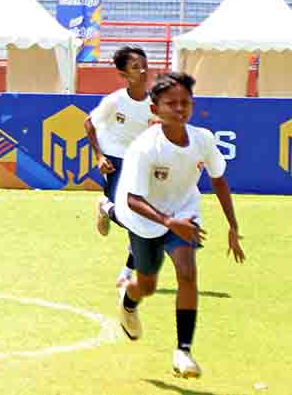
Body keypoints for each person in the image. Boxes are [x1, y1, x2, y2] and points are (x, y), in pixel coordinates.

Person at [114, 72, 246, 380]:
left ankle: (183, 351)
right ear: (154, 109)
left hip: (183, 212)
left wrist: (232, 226)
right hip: (144, 218)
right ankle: (128, 300)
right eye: (170, 103)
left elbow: (218, 179)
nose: (179, 108)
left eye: (185, 102)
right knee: (147, 285)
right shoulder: (145, 148)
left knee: (187, 273)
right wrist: (167, 222)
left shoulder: (203, 140)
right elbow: (133, 199)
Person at [86, 46, 154, 286]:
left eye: (144, 64)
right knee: (136, 219)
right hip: (115, 159)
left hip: (140, 162)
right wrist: (99, 156)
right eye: (135, 67)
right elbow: (89, 124)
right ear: (124, 75)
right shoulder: (114, 101)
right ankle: (106, 206)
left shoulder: (155, 102)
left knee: (146, 221)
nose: (143, 70)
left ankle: (126, 274)